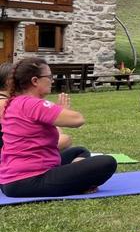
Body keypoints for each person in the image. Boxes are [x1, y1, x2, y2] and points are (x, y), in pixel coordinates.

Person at [0, 57, 116, 197]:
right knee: (107, 162)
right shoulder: (34, 104)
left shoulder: (13, 102)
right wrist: (60, 111)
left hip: (11, 180)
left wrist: (55, 114)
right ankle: (79, 182)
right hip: (28, 180)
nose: (53, 80)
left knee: (79, 151)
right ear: (35, 81)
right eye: (49, 76)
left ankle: (74, 177)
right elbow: (78, 120)